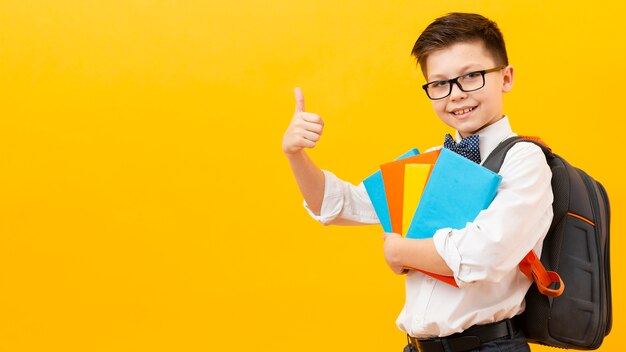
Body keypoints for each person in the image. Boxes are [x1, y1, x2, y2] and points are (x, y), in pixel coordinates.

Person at [282, 12, 553, 352]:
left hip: (488, 346)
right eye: (439, 83)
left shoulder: (525, 159)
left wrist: (400, 251)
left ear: (506, 77)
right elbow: (339, 205)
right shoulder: (430, 160)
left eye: (471, 76)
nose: (455, 94)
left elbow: (485, 255)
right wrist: (296, 155)